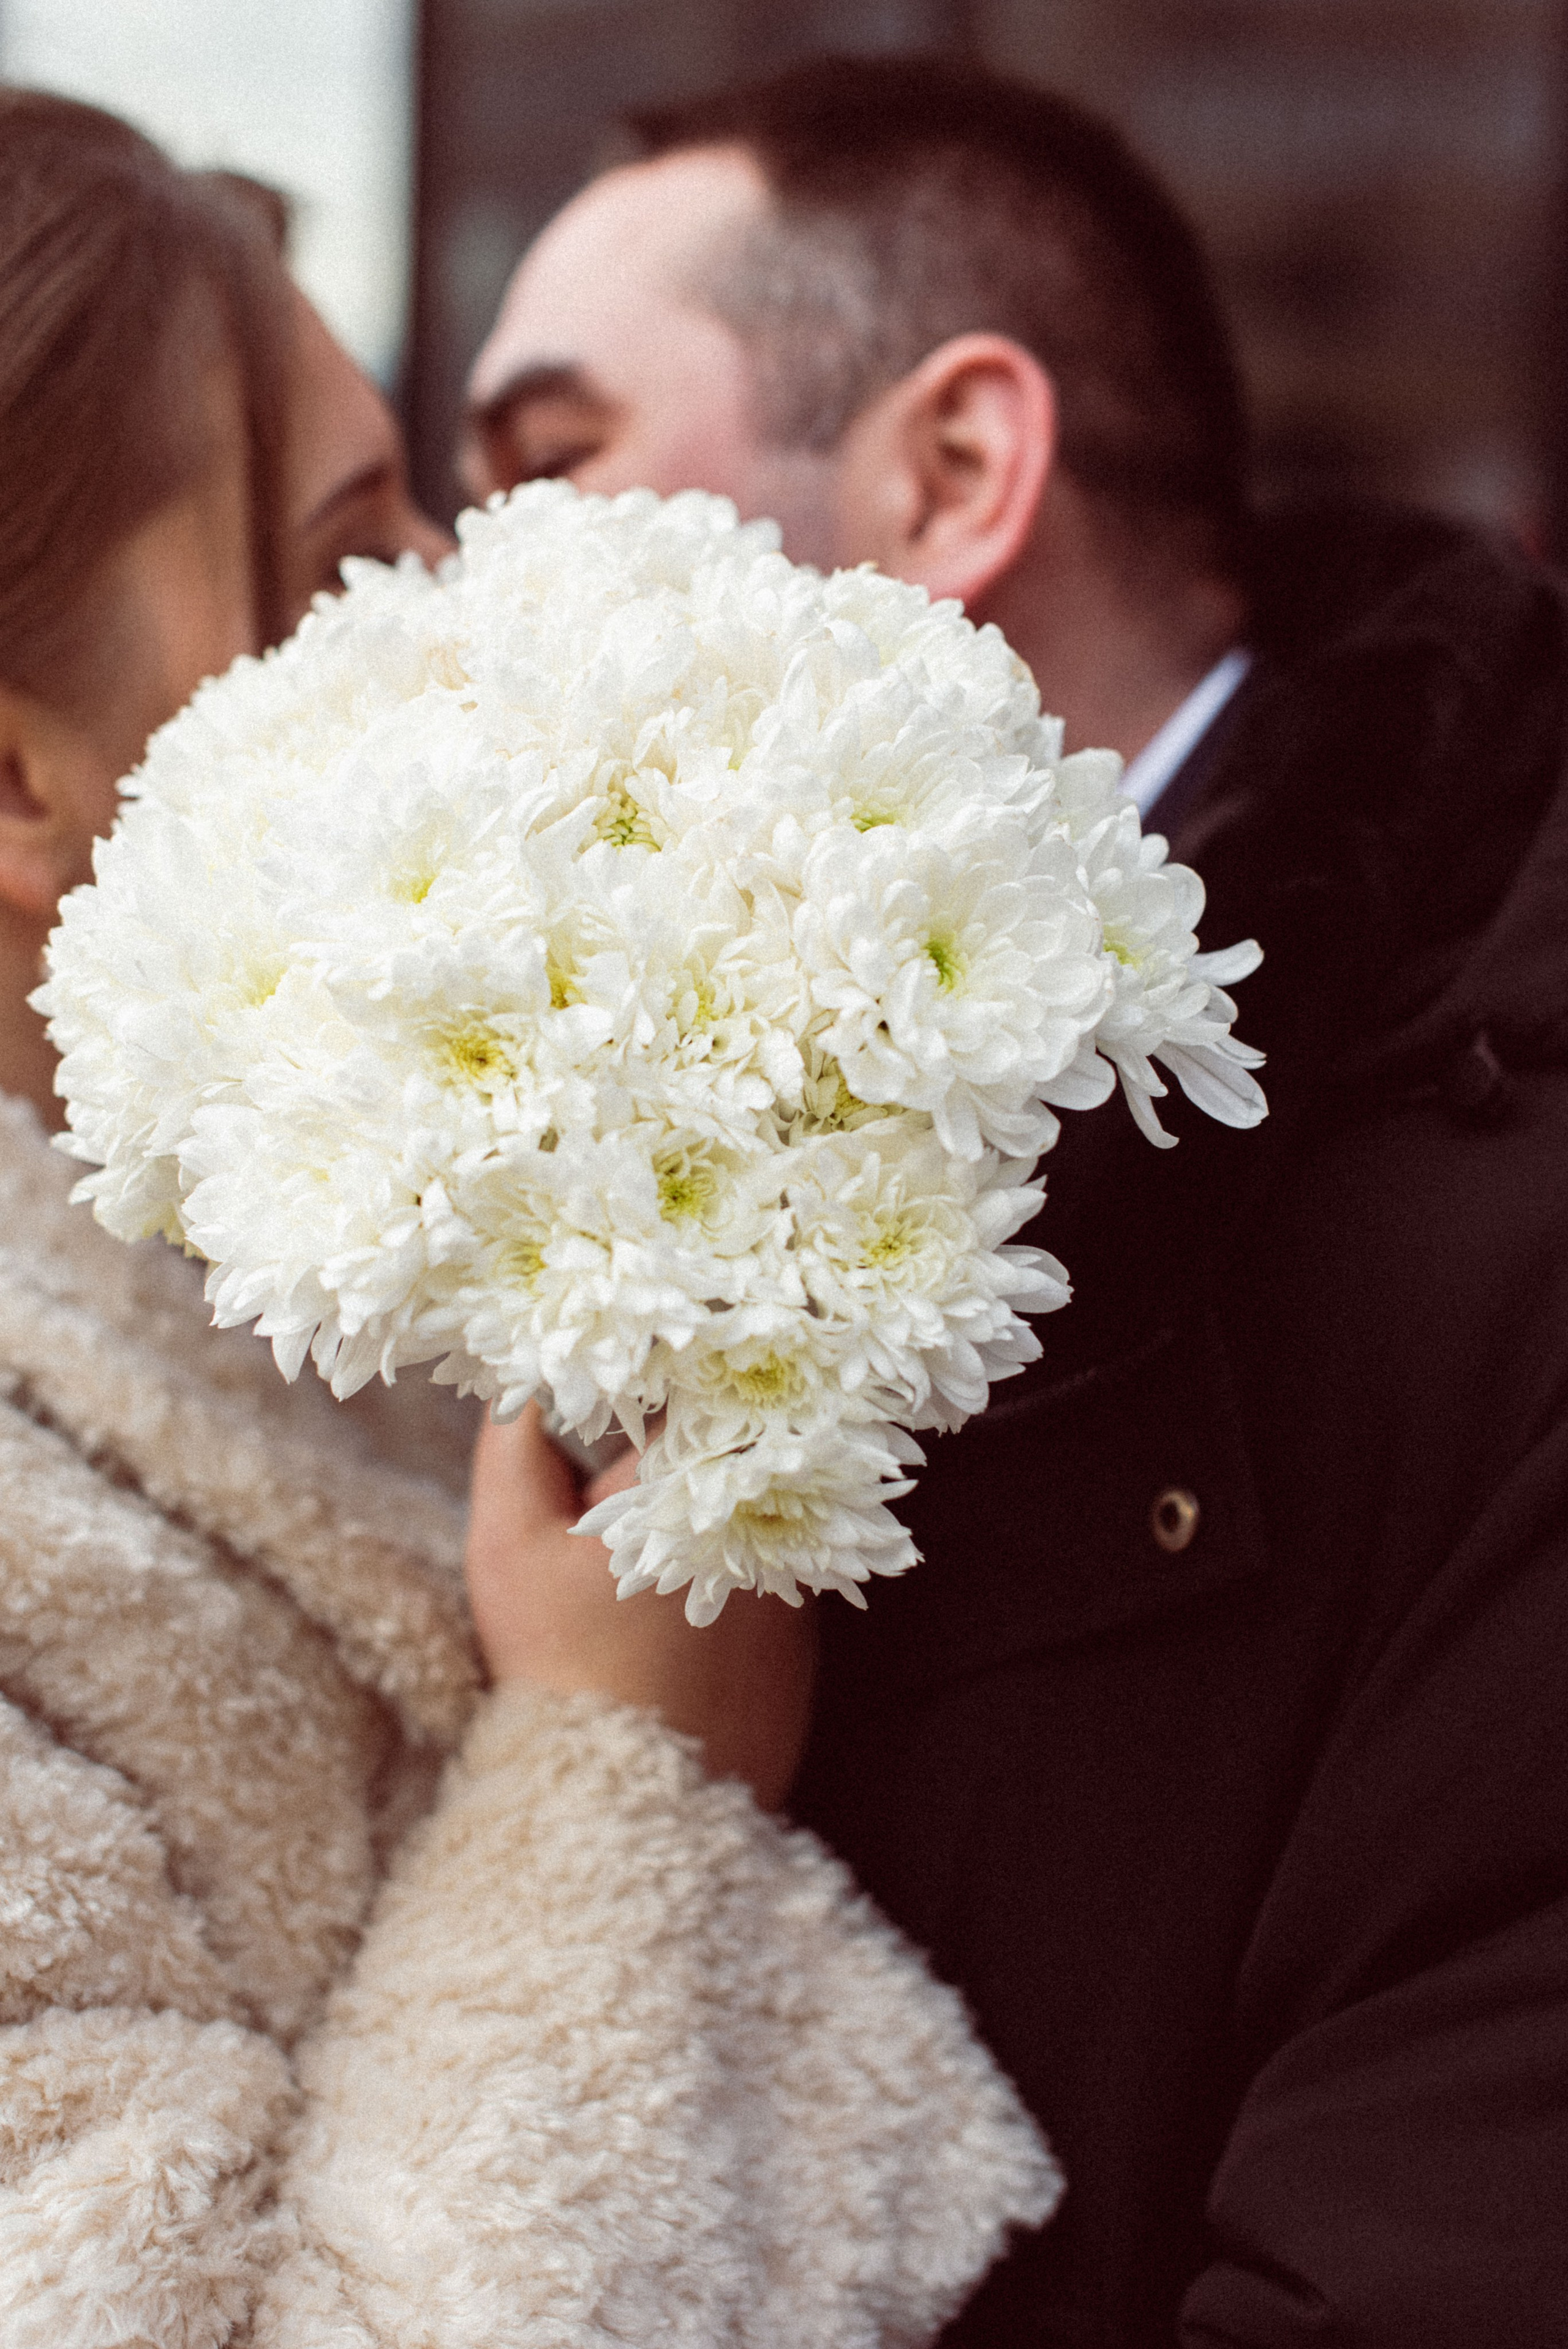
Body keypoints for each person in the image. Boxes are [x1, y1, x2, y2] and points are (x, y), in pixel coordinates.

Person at [463, 53, 1568, 2346]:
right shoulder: (615, 1138)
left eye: (550, 463)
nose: (452, 598)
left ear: (956, 468)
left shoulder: (1490, 1197)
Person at [0, 88, 1057, 2342]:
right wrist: (619, 1757)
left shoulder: (370, 1208)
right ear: (15, 775)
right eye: (342, 567)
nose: (447, 627)